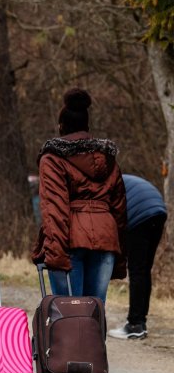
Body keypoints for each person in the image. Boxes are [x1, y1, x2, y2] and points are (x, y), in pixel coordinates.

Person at [32, 88, 127, 305]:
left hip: (69, 240)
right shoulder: (109, 159)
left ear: (62, 127)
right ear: (87, 127)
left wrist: (55, 253)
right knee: (95, 310)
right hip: (106, 238)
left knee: (69, 312)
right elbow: (120, 210)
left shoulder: (53, 159)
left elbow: (54, 209)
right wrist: (121, 254)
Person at [108, 174, 167, 340]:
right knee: (144, 270)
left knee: (137, 271)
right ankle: (140, 323)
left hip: (140, 215)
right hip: (158, 211)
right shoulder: (118, 178)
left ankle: (134, 325)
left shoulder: (103, 185)